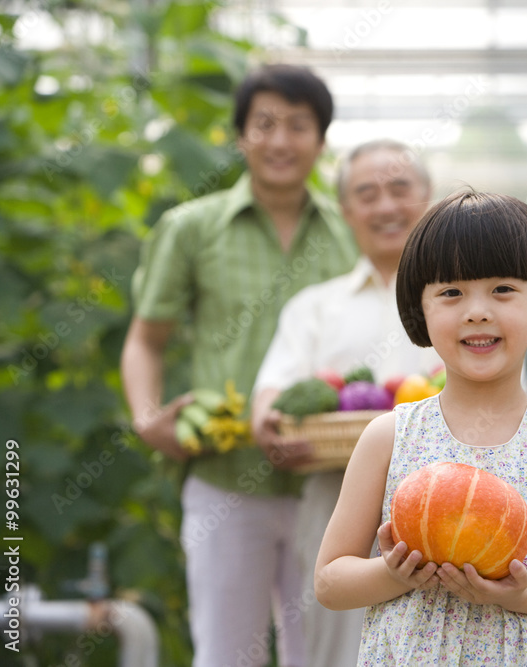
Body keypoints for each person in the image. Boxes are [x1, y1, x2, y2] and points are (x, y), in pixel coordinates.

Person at [315, 191, 527, 665]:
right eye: (451, 292)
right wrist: (395, 575)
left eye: (503, 289)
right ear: (419, 309)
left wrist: (520, 594)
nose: (477, 310)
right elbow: (330, 581)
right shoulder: (389, 436)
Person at [120, 64, 358, 667]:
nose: (281, 141)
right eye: (265, 124)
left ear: (321, 141)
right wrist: (149, 421)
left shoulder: (350, 233)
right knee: (226, 654)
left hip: (329, 484)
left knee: (327, 656)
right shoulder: (192, 229)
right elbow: (146, 339)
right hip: (226, 481)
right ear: (240, 136)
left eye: (299, 126)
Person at [250, 139, 441, 666]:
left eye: (400, 188)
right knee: (335, 649)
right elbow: (274, 390)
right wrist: (267, 422)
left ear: (427, 198)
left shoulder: (458, 296)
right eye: (367, 193)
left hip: (454, 499)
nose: (386, 206)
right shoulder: (315, 307)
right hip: (337, 504)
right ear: (347, 210)